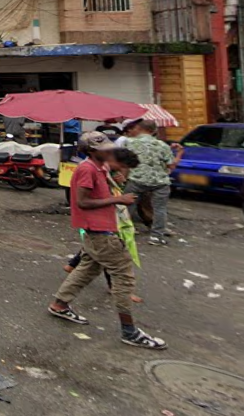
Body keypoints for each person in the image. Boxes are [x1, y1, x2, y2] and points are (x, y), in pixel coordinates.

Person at [48, 132, 166, 350]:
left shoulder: (100, 167)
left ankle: (60, 304)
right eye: (105, 149)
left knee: (87, 269)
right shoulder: (87, 169)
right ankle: (129, 331)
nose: (110, 151)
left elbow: (106, 186)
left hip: (103, 229)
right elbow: (82, 202)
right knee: (123, 278)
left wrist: (118, 181)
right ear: (92, 151)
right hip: (99, 231)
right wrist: (118, 198)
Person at [122, 120, 184, 245]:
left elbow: (123, 163)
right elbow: (171, 165)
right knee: (159, 209)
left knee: (127, 206)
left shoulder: (129, 143)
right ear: (154, 131)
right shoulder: (162, 145)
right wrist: (179, 153)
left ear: (139, 128)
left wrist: (123, 178)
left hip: (136, 179)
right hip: (159, 181)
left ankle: (124, 233)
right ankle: (156, 237)